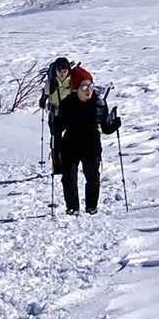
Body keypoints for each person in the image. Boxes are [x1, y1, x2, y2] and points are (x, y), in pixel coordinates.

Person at [53, 75, 121, 215]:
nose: (88, 90)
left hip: (91, 145)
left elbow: (105, 128)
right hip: (70, 145)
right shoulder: (67, 103)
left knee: (93, 177)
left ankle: (91, 207)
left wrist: (114, 125)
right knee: (69, 178)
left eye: (91, 86)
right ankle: (72, 207)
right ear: (76, 89)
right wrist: (55, 121)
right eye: (84, 87)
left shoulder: (99, 104)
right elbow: (58, 127)